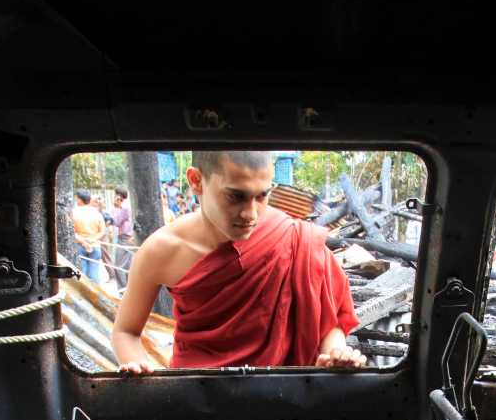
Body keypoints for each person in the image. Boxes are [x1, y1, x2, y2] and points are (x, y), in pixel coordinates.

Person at [111, 150, 364, 373]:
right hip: (197, 395)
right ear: (196, 181)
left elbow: (328, 322)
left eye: (262, 196)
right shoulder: (161, 251)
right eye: (236, 197)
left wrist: (335, 353)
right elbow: (125, 332)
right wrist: (137, 368)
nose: (250, 214)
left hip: (285, 397)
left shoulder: (294, 238)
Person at [71, 189, 107, 282]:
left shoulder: (74, 213)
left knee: (82, 276)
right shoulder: (97, 213)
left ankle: (84, 296)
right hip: (94, 246)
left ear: (79, 199)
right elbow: (102, 231)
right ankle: (96, 295)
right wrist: (92, 240)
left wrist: (83, 241)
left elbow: (72, 232)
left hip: (80, 246)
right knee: (95, 275)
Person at [108, 187, 134, 288]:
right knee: (128, 266)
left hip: (124, 238)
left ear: (118, 196)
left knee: (119, 267)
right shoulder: (128, 205)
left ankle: (122, 291)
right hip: (130, 237)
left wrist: (115, 207)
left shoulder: (123, 207)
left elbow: (116, 221)